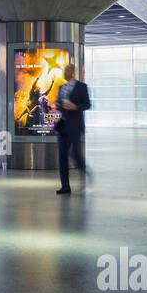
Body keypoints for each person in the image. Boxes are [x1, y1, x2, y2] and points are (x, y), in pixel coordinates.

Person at [55, 62, 91, 194]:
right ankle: (65, 186)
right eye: (64, 70)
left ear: (72, 72)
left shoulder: (82, 87)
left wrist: (75, 106)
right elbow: (59, 106)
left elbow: (87, 104)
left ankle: (85, 173)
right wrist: (58, 104)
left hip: (75, 125)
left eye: (67, 70)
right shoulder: (61, 87)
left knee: (75, 154)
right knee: (62, 155)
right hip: (63, 125)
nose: (65, 73)